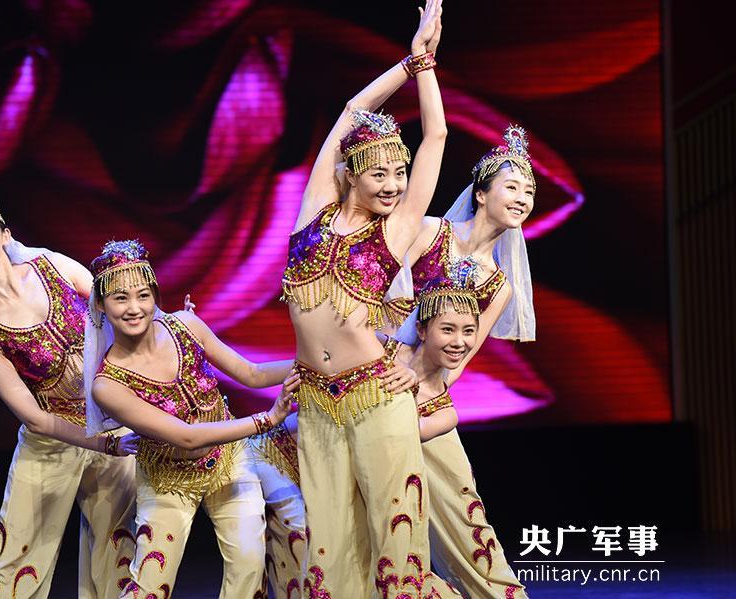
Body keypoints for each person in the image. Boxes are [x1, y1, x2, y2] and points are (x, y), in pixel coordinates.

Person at [280, 1, 455, 595]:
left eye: (398, 175)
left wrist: (426, 63)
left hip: (376, 396)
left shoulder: (396, 231)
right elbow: (355, 110)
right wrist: (404, 64)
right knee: (331, 540)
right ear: (349, 173)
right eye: (379, 174)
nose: (393, 186)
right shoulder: (311, 218)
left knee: (396, 531)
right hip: (316, 403)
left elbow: (436, 134)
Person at [0, 190, 139, 599]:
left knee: (120, 551)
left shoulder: (50, 267)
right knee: (13, 560)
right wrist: (103, 443)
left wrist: (171, 326)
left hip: (111, 421)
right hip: (51, 444)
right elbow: (34, 416)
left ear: (5, 234)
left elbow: (119, 309)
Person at [83, 239, 299, 598]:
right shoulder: (107, 385)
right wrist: (267, 418)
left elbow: (253, 373)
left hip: (229, 463)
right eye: (120, 298)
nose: (134, 308)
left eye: (143, 295)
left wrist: (316, 365)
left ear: (155, 296)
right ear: (101, 305)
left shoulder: (185, 326)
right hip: (167, 481)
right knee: (150, 585)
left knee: (249, 567)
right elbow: (186, 436)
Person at [391, 125, 537, 597]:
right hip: (377, 382)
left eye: (529, 191)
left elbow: (459, 358)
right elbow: (383, 300)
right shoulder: (430, 232)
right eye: (512, 187)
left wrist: (427, 395)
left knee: (466, 511)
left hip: (428, 402)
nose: (522, 198)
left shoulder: (499, 286)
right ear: (480, 193)